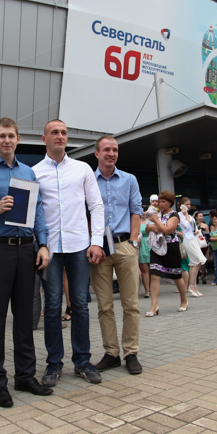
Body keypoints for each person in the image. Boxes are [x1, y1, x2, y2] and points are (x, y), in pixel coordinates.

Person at [0, 117, 53, 408]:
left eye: (12, 136)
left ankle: (25, 376)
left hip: (26, 249)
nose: (7, 140)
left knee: (24, 318)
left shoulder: (28, 172)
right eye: (2, 136)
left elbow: (38, 211)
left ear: (18, 140)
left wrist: (42, 244)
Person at [32, 119, 106, 387]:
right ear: (44, 139)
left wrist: (96, 241)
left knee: (80, 306)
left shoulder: (82, 169)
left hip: (79, 245)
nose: (60, 136)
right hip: (49, 248)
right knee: (52, 307)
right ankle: (54, 363)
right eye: (54, 132)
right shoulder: (34, 172)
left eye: (63, 132)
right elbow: (31, 213)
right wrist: (37, 245)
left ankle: (83, 362)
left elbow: (96, 206)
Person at [90, 136, 144, 376]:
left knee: (131, 304)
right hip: (98, 249)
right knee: (104, 305)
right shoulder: (88, 180)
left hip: (124, 246)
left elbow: (136, 212)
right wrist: (92, 243)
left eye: (114, 150)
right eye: (106, 150)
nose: (111, 153)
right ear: (97, 153)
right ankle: (111, 353)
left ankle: (130, 352)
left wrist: (133, 242)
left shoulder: (129, 180)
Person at [146, 190, 187, 314]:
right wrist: (151, 226)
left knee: (176, 276)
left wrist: (156, 222)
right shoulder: (156, 214)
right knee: (154, 275)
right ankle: (154, 306)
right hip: (157, 247)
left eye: (163, 202)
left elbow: (168, 229)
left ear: (170, 203)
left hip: (171, 247)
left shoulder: (174, 215)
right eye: (159, 201)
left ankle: (184, 300)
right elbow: (147, 229)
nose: (161, 204)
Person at [178, 198, 206, 297]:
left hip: (193, 239)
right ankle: (191, 286)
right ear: (181, 205)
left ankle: (193, 286)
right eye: (186, 204)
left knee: (197, 262)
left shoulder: (190, 216)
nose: (188, 206)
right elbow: (185, 226)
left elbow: (194, 227)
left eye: (189, 204)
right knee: (196, 261)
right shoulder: (180, 215)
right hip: (188, 239)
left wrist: (197, 230)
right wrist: (185, 214)